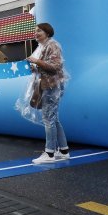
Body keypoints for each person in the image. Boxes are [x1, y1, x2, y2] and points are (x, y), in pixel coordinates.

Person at [27, 22, 69, 164]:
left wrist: (37, 62)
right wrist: (35, 66)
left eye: (39, 31)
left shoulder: (52, 45)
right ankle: (63, 151)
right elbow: (45, 67)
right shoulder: (43, 47)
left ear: (47, 32)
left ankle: (49, 153)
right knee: (53, 119)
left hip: (52, 86)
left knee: (48, 119)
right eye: (35, 31)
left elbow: (56, 67)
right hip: (48, 85)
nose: (36, 33)